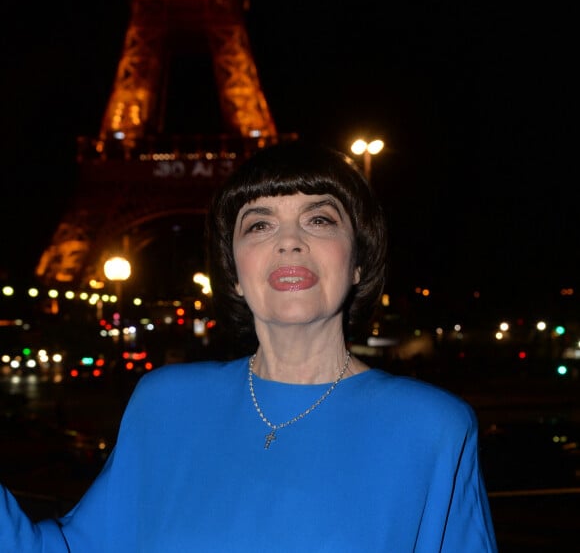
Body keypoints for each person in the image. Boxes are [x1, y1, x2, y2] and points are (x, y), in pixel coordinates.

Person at [0, 140, 498, 552]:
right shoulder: (165, 402)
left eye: (319, 219)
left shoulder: (433, 428)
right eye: (259, 223)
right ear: (234, 273)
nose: (289, 241)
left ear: (358, 264)